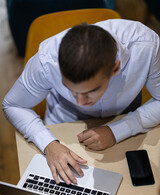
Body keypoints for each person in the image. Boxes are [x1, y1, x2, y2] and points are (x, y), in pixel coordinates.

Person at [2, 19, 160, 185]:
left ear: (115, 68)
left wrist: (118, 130)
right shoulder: (47, 61)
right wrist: (48, 143)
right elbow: (12, 104)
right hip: (65, 127)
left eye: (91, 91)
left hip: (124, 120)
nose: (80, 101)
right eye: (69, 88)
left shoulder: (147, 47)